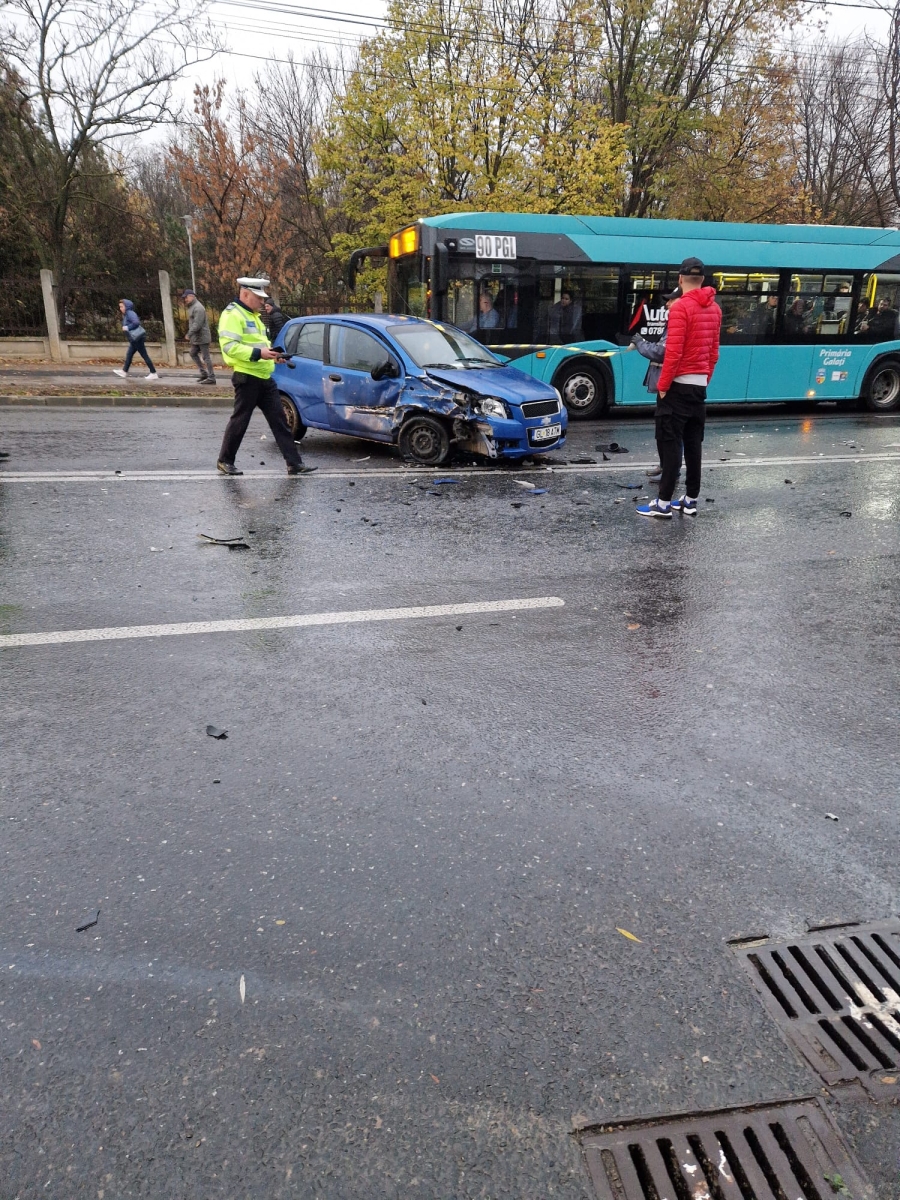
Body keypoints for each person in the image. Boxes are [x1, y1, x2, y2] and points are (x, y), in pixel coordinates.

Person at [637, 257, 721, 519]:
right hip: (698, 389)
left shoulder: (680, 308)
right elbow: (714, 353)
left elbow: (673, 353)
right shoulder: (715, 309)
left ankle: (663, 503)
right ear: (703, 280)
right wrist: (704, 380)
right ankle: (690, 500)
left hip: (677, 388)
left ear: (680, 279)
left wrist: (663, 386)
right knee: (694, 445)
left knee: (670, 445)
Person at [216, 276, 316, 476]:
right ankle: (225, 461)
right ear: (245, 294)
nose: (263, 303)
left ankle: (294, 463)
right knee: (240, 421)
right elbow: (229, 348)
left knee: (280, 421)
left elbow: (260, 345)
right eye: (259, 298)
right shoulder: (232, 315)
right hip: (247, 377)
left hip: (264, 376)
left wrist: (273, 356)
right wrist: (259, 354)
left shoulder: (253, 315)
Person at [628, 287, 682, 483]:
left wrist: (641, 343)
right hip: (663, 384)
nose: (666, 304)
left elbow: (661, 352)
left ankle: (671, 472)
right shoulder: (672, 321)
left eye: (670, 300)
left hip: (669, 386)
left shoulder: (678, 323)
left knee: (670, 431)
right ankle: (665, 465)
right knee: (662, 429)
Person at [112, 300, 159, 381]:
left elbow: (136, 322)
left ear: (127, 306)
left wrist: (127, 327)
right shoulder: (127, 314)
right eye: (120, 307)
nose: (120, 309)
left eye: (122, 306)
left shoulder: (130, 313)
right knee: (129, 354)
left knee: (144, 355)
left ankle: (153, 373)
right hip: (134, 339)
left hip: (137, 338)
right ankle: (124, 371)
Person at [182, 289, 216, 385]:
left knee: (206, 357)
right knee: (193, 353)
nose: (185, 299)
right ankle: (204, 373)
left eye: (186, 297)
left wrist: (189, 334)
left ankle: (211, 377)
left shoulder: (198, 308)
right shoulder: (193, 307)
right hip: (197, 337)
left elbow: (197, 324)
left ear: (192, 296)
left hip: (202, 337)